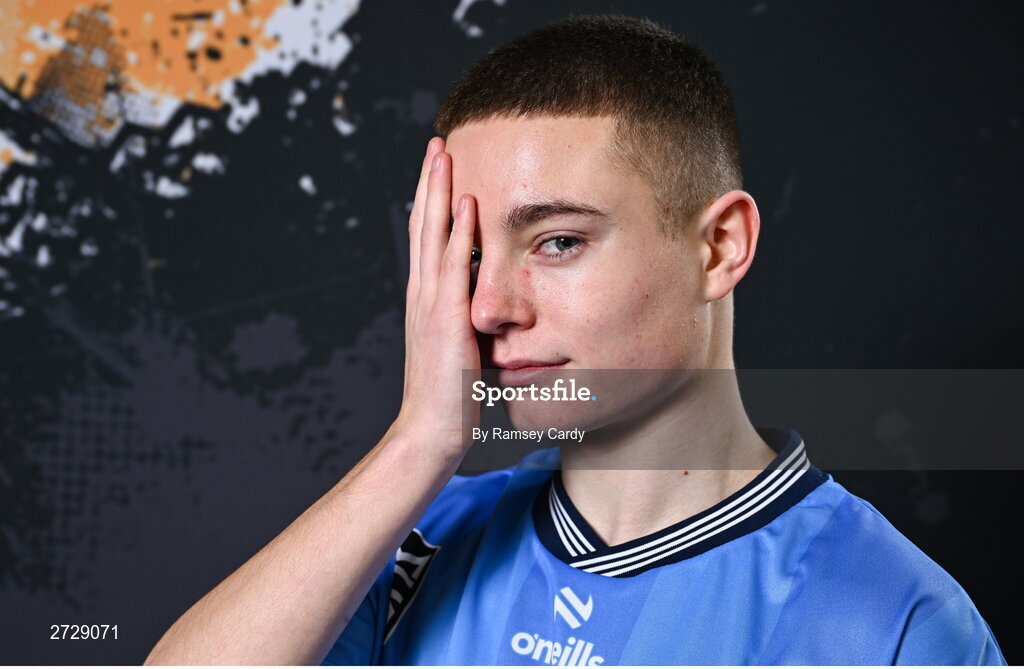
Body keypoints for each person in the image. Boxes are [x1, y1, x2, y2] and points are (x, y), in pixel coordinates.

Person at [145, 15, 1006, 666]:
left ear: (719, 247)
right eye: (469, 253)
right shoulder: (417, 537)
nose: (487, 306)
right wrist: (419, 443)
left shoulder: (891, 618)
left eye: (557, 241)